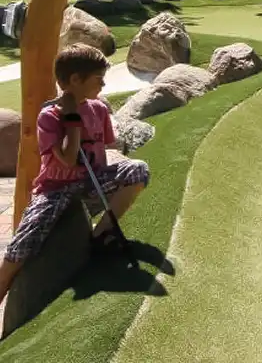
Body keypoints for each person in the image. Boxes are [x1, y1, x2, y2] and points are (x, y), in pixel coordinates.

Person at [0, 45, 150, 305]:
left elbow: (107, 148)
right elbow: (68, 159)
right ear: (75, 80)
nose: (103, 84)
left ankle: (101, 236)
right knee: (25, 241)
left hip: (91, 181)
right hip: (55, 189)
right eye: (98, 79)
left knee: (138, 169)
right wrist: (71, 118)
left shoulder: (99, 109)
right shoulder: (49, 116)